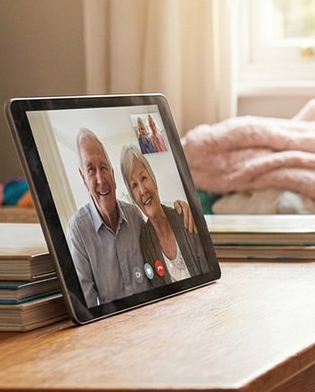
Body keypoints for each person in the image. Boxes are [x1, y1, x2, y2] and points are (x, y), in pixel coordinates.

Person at [65, 128, 154, 306]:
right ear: (83, 179)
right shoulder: (78, 231)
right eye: (91, 170)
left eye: (103, 167)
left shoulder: (135, 216)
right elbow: (86, 306)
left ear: (112, 174)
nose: (100, 179)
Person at [118, 144, 210, 283]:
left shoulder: (184, 217)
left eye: (143, 178)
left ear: (153, 180)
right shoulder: (145, 243)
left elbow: (208, 272)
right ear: (133, 197)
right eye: (134, 185)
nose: (142, 190)